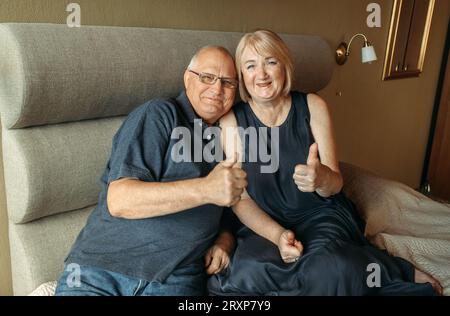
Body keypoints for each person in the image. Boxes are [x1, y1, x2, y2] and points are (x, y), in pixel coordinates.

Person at [208, 30, 443, 296]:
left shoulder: (313, 105)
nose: (261, 74)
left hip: (319, 214)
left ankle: (393, 268)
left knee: (329, 269)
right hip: (263, 222)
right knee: (244, 274)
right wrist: (277, 236)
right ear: (241, 75)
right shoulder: (231, 122)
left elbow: (336, 184)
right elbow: (241, 200)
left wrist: (321, 178)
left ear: (285, 66)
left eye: (270, 62)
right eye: (250, 65)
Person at [55, 46, 247, 296]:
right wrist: (207, 189)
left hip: (176, 277)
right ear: (188, 78)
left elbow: (231, 208)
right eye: (207, 77)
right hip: (103, 270)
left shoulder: (230, 137)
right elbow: (120, 200)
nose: (217, 89)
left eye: (228, 82)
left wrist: (225, 240)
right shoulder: (159, 114)